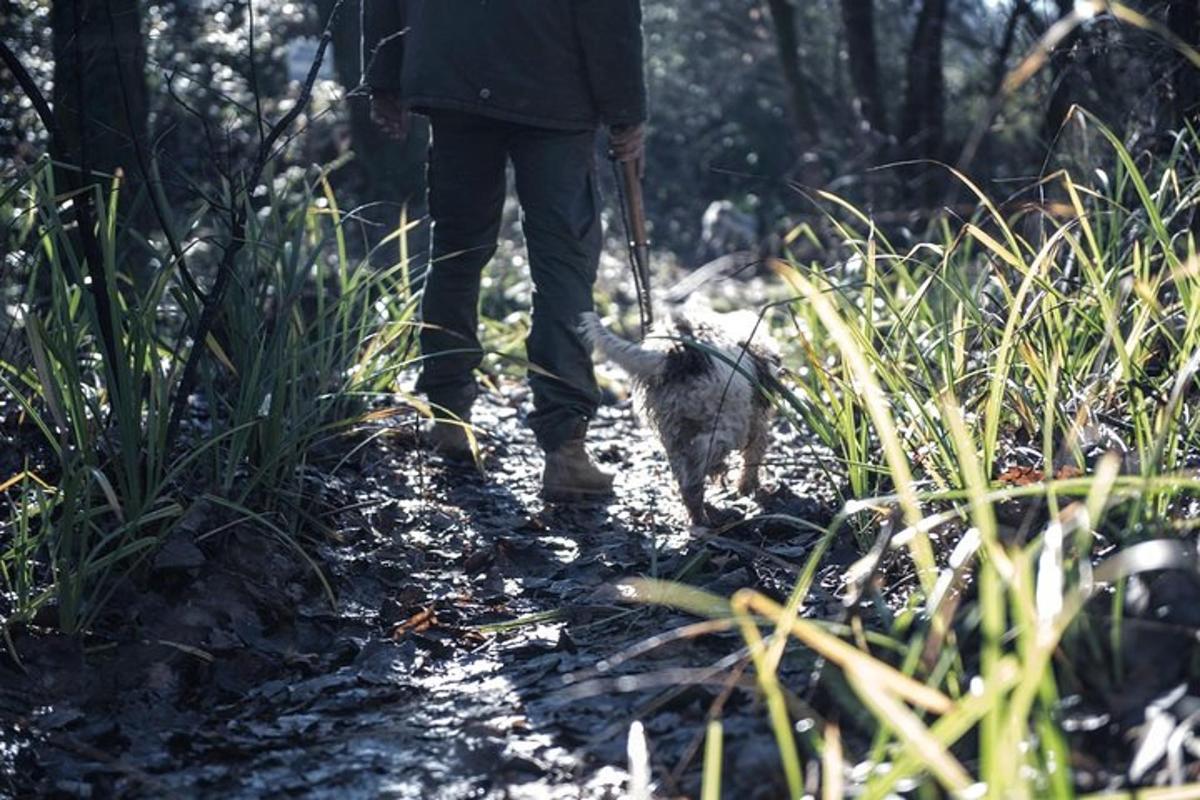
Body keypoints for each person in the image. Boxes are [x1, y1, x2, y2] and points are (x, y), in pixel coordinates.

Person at [365, 0, 647, 503]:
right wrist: (625, 108)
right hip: (555, 85)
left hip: (455, 76)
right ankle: (565, 450)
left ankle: (450, 420)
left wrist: (385, 76)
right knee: (563, 267)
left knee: (455, 252)